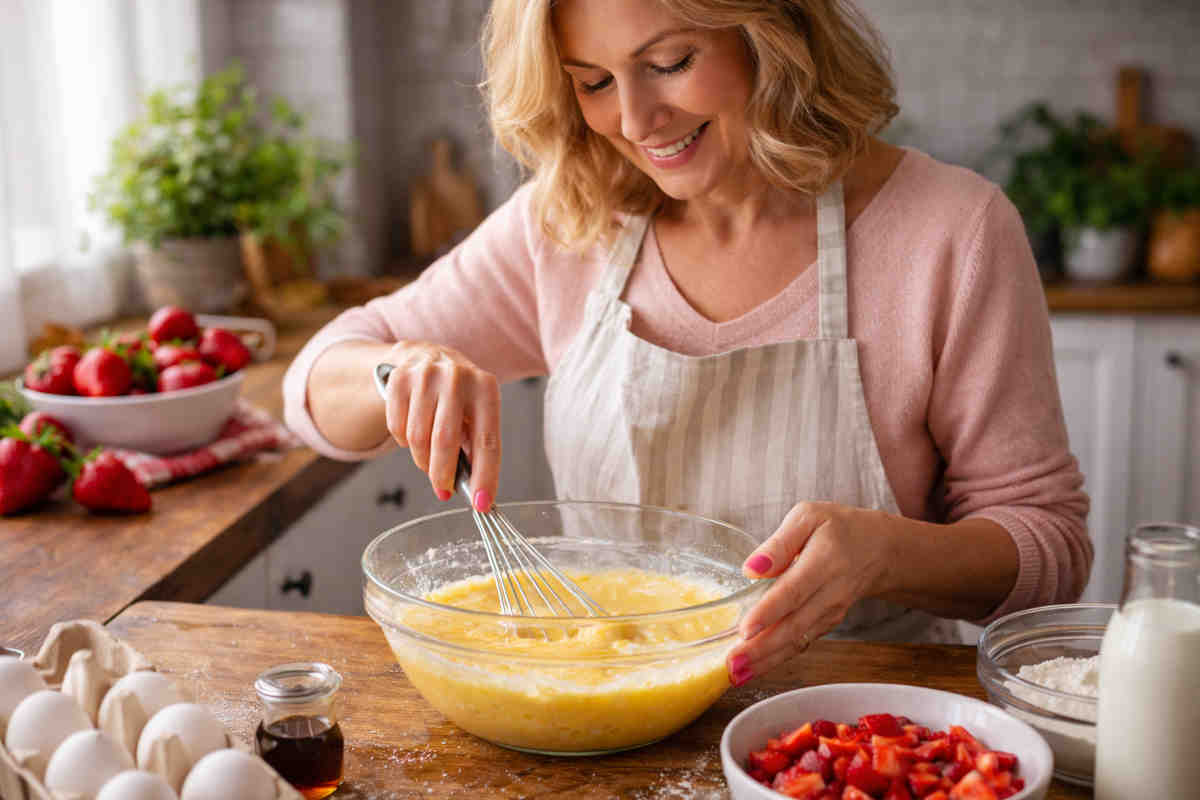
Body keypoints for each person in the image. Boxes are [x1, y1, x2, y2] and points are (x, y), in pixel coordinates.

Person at [283, 0, 1091, 686]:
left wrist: (887, 554)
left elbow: (1049, 547)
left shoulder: (952, 232)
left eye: (669, 62)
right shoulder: (571, 220)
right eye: (592, 83)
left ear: (770, 31)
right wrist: (399, 370)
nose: (634, 121)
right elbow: (315, 385)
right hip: (604, 724)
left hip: (852, 736)